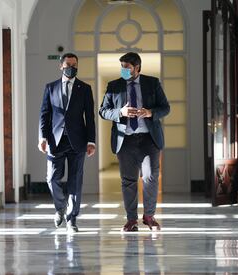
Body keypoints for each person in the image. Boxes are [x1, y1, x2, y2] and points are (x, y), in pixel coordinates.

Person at [99, 52, 170, 232]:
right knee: (128, 180)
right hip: (126, 141)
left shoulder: (152, 83)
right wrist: (120, 113)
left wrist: (150, 113)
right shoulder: (114, 86)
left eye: (127, 68)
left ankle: (149, 216)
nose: (123, 70)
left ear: (137, 68)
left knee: (150, 178)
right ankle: (131, 220)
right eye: (121, 67)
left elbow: (165, 108)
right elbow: (103, 111)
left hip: (149, 139)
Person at [38, 52, 96, 233]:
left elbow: (90, 117)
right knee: (51, 178)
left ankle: (72, 219)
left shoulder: (85, 88)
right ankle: (60, 207)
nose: (72, 67)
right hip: (55, 141)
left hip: (77, 142)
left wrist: (91, 141)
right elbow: (44, 115)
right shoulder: (50, 87)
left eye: (75, 64)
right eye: (68, 64)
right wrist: (42, 137)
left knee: (75, 181)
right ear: (61, 66)